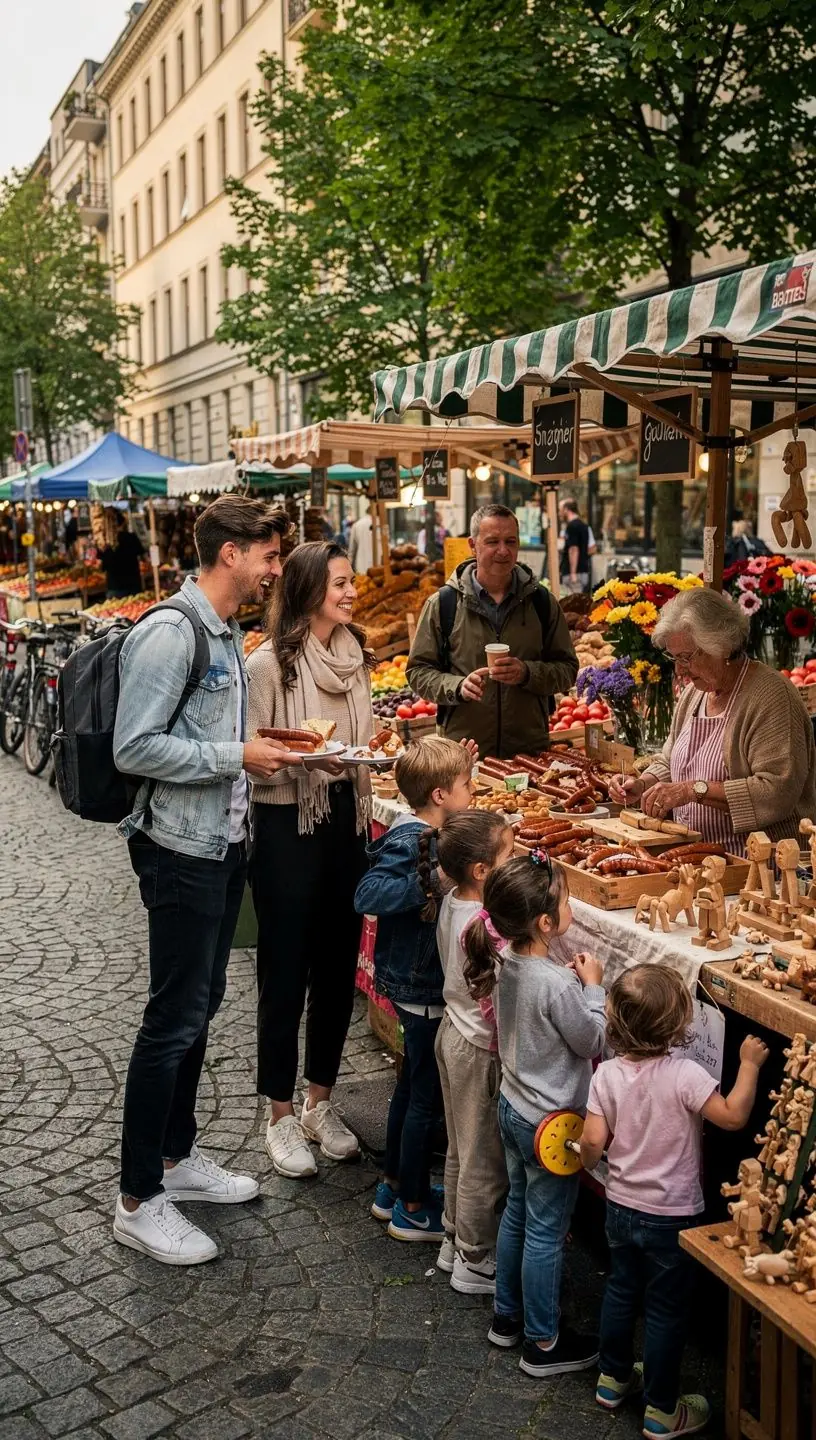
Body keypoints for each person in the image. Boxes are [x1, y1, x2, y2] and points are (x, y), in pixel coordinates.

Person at [112, 496, 296, 1265]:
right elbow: (134, 748)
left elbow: (205, 735)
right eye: (269, 555)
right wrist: (235, 758)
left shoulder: (224, 630)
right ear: (232, 554)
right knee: (170, 1020)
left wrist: (255, 747)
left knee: (200, 1008)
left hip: (221, 848)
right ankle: (135, 1199)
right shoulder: (170, 631)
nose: (276, 568)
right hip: (179, 851)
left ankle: (174, 1161)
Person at [581, 965, 768, 1437]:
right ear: (677, 1024)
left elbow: (591, 1144)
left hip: (620, 1206)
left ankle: (613, 1377)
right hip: (673, 1215)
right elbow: (732, 1117)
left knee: (621, 1291)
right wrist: (748, 1066)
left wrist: (585, 1159)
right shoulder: (685, 1073)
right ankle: (662, 1408)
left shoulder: (605, 1075)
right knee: (665, 1309)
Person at [247, 541, 375, 1178]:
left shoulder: (358, 659)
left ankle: (319, 1102)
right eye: (340, 585)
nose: (352, 593)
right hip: (286, 826)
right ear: (304, 590)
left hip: (345, 825)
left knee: (335, 971)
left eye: (353, 583)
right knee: (285, 972)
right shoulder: (270, 665)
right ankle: (278, 1116)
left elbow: (366, 744)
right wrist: (302, 761)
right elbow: (249, 756)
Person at [463, 852, 605, 1378]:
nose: (570, 907)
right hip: (551, 1124)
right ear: (545, 923)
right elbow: (591, 1037)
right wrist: (593, 987)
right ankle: (543, 1343)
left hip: (513, 1106)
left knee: (519, 1210)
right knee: (546, 1228)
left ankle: (507, 1315)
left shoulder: (506, 962)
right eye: (566, 901)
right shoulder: (558, 984)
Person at [356, 737, 475, 1243]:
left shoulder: (434, 829)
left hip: (417, 982)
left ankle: (392, 1186)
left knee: (409, 1087)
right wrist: (434, 883)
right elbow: (368, 894)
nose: (474, 792)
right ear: (442, 794)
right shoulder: (412, 841)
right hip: (419, 985)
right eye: (469, 785)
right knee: (425, 1096)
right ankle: (411, 1206)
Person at [609, 587, 816, 849]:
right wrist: (642, 784)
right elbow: (670, 760)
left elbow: (776, 791)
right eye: (674, 657)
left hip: (761, 865)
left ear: (722, 646)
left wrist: (693, 790)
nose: (679, 669)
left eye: (687, 657)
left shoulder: (772, 697)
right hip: (699, 856)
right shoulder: (694, 694)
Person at [407, 503, 577, 758]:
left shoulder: (541, 602)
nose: (503, 551)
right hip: (462, 756)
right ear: (472, 545)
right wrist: (458, 686)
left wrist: (527, 672)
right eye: (492, 541)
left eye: (511, 541)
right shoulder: (444, 604)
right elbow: (418, 672)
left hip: (528, 754)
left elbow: (568, 669)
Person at [434, 809, 514, 1295]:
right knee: (483, 1159)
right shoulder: (485, 926)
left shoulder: (452, 902)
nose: (518, 857)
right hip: (478, 1048)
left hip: (451, 1033)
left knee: (460, 1149)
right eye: (509, 852)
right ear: (482, 870)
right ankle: (476, 1259)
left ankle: (452, 1237)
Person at [101, 510, 145, 597]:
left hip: (114, 587)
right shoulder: (131, 537)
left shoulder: (107, 543)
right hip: (133, 585)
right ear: (124, 523)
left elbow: (103, 567)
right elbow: (142, 555)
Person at [559, 499, 590, 595]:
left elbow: (573, 549)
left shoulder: (572, 526)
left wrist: (573, 573)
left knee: (572, 605)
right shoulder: (583, 525)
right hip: (582, 571)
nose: (559, 513)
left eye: (560, 510)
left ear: (566, 510)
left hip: (574, 574)